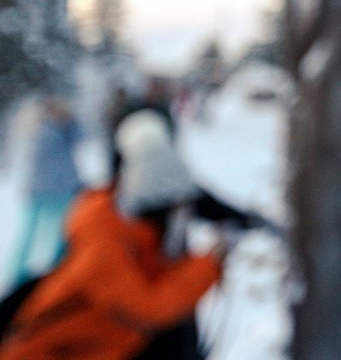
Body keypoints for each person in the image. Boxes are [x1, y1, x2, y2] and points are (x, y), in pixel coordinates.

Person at [0, 110, 227, 360]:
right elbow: (148, 307)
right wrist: (206, 266)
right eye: (176, 209)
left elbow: (156, 280)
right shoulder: (104, 245)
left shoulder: (127, 223)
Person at [8, 98, 82, 287]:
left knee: (63, 234)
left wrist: (68, 121)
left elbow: (81, 138)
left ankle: (59, 272)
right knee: (37, 234)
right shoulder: (40, 127)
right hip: (49, 188)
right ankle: (18, 277)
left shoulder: (63, 126)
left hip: (60, 187)